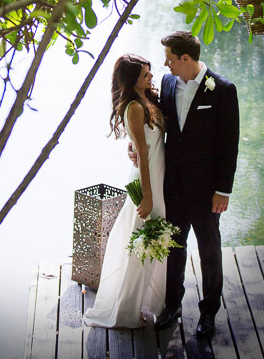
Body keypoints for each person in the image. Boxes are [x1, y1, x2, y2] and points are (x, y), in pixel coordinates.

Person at [140, 30, 239, 339]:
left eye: (169, 59)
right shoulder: (169, 83)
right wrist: (136, 144)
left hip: (208, 190)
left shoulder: (222, 89)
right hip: (174, 184)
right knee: (174, 247)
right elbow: (155, 120)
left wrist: (223, 190)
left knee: (210, 250)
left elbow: (229, 144)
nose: (165, 65)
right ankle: (173, 304)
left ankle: (209, 312)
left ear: (185, 58)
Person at [83, 53, 167, 328]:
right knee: (140, 244)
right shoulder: (134, 107)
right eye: (145, 75)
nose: (150, 77)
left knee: (149, 242)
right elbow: (142, 151)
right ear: (132, 80)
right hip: (147, 180)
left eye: (149, 72)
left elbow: (141, 144)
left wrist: (130, 146)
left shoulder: (148, 99)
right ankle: (126, 311)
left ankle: (144, 301)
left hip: (156, 174)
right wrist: (148, 194)